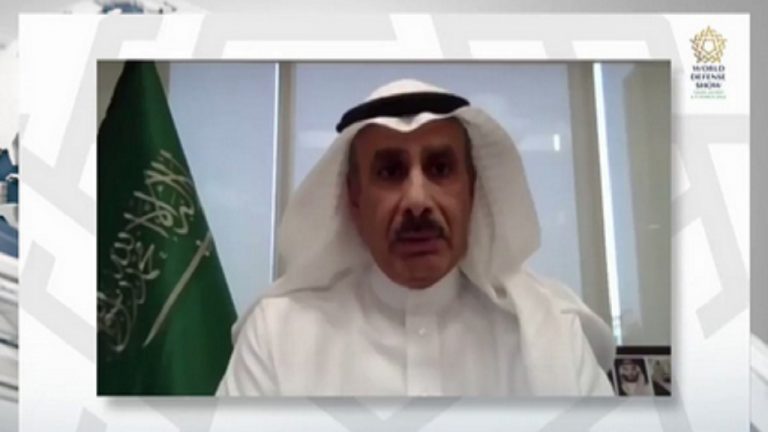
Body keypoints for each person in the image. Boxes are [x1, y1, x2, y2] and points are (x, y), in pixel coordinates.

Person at [217, 79, 615, 396]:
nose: (418, 201)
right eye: (390, 172)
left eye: (440, 169)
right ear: (354, 199)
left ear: (472, 190)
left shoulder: (554, 338)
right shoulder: (277, 337)